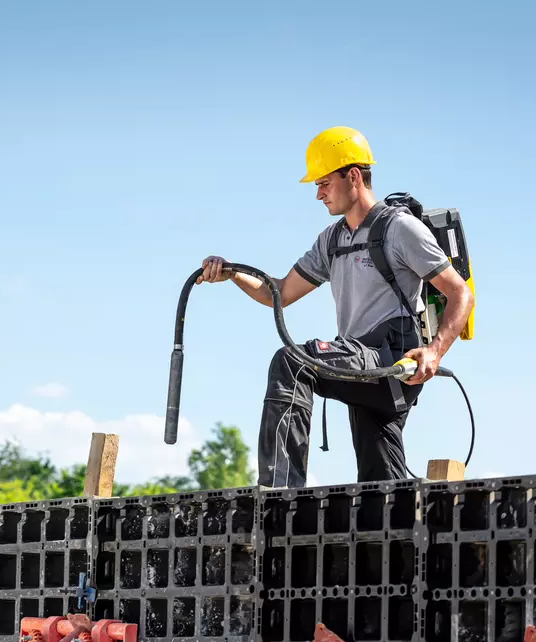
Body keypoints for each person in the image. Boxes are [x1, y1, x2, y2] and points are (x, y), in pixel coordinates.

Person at [198, 126, 474, 488]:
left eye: (324, 183)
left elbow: (461, 294)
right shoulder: (332, 240)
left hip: (389, 361)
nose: (318, 194)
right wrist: (232, 273)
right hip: (360, 367)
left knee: (294, 362)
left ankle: (281, 494)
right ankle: (390, 539)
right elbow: (277, 293)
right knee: (382, 493)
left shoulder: (401, 229)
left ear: (354, 176)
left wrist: (435, 351)